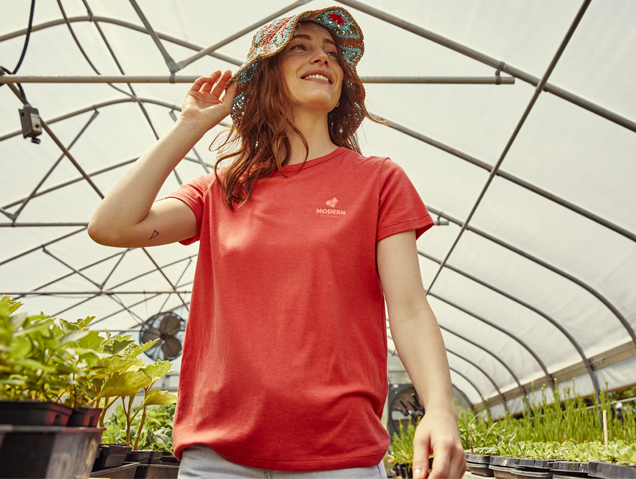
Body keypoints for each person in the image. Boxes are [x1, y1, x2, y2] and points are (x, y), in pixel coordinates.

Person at [88, 6, 466, 479]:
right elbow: (112, 226)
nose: (323, 58)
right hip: (217, 459)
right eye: (300, 48)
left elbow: (409, 308)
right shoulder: (221, 188)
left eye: (333, 53)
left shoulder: (378, 181)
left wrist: (440, 409)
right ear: (267, 74)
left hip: (338, 457)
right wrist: (191, 125)